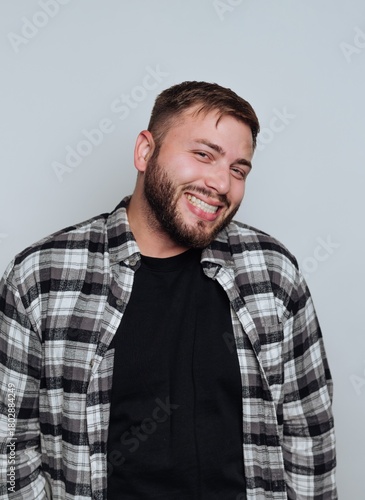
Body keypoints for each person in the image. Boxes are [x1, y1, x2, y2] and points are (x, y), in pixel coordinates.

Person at [0, 81, 337, 499]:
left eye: (238, 169)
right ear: (145, 151)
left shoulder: (273, 274)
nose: (221, 183)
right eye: (203, 154)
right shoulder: (41, 276)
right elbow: (9, 439)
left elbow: (309, 435)